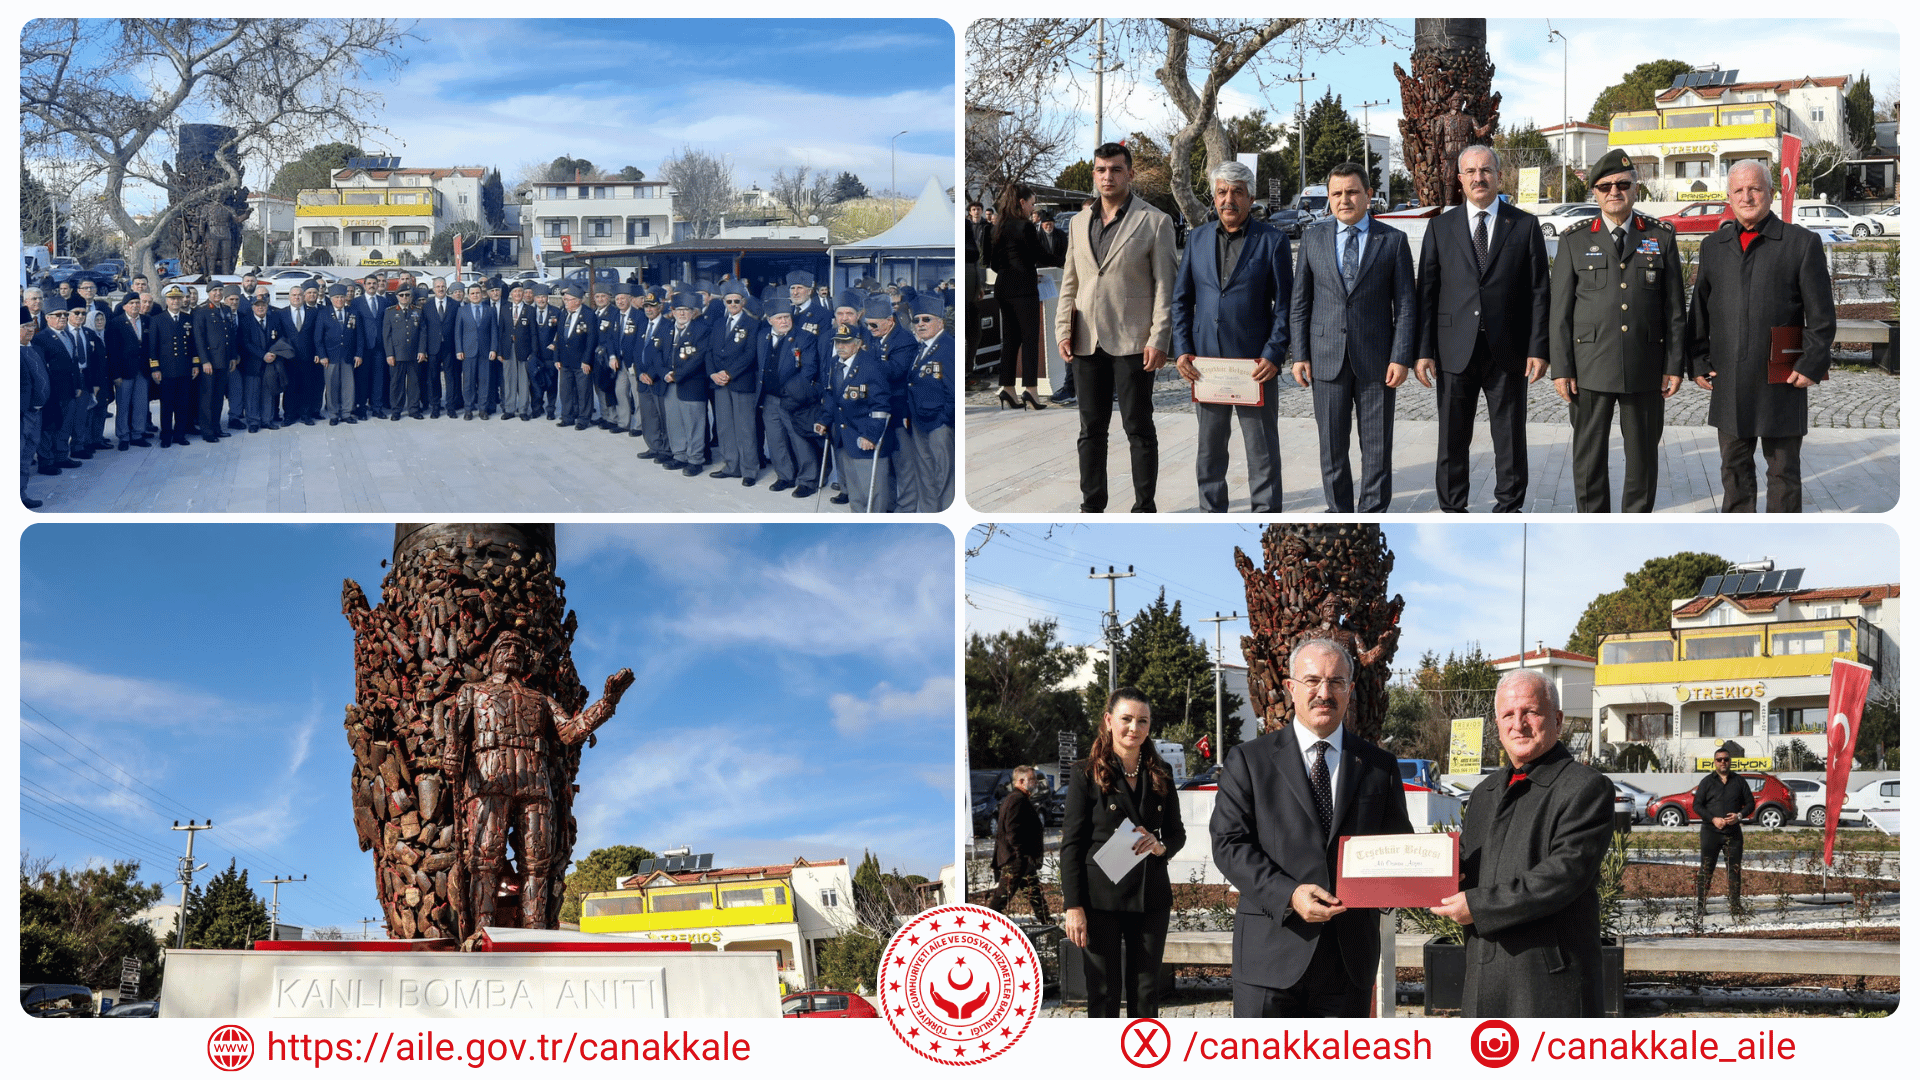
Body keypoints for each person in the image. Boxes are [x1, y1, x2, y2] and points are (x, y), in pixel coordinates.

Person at [1210, 639, 1413, 1017]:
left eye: (1336, 682)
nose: (1324, 692)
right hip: (1269, 956)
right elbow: (1229, 844)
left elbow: (1398, 847)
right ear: (1291, 688)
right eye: (1313, 680)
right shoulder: (1248, 761)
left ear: (1350, 690)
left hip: (1347, 962)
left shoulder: (1379, 767)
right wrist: (1290, 894)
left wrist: (1436, 873)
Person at [1430, 668, 1614, 1016]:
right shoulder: (1484, 793)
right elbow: (1470, 865)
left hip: (1548, 980)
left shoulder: (1585, 787)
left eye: (1531, 711)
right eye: (1508, 715)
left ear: (1557, 720)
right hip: (1486, 974)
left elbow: (1563, 875)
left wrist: (1478, 906)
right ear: (1497, 725)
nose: (1519, 724)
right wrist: (1437, 876)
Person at [1685, 158, 1835, 513]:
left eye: (1755, 188)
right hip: (1730, 379)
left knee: (1784, 473)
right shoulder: (1713, 246)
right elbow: (1700, 312)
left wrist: (1811, 362)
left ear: (1771, 193)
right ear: (1728, 196)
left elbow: (1822, 315)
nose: (1747, 196)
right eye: (1739, 190)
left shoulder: (1801, 243)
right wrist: (1698, 361)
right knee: (1733, 471)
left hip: (1782, 378)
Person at [1549, 148, 1685, 513]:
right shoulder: (1575, 240)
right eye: (1605, 185)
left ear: (1635, 189)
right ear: (1594, 192)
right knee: (1589, 460)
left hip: (1645, 366)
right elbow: (1559, 311)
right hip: (1589, 366)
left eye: (1623, 184)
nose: (1614, 191)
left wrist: (1674, 364)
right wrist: (1561, 369)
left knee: (1642, 460)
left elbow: (1675, 310)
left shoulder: (1661, 237)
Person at [1415, 145, 1550, 512]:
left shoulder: (1523, 225)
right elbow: (1426, 292)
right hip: (1453, 351)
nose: (1479, 177)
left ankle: (1508, 507)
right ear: (1460, 179)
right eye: (1471, 171)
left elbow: (1540, 291)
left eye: (1486, 170)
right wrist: (1422, 350)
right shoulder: (1440, 227)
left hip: (1508, 350)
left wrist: (1539, 348)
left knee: (1509, 437)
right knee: (1452, 440)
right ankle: (1453, 508)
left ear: (1498, 176)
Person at [1055, 142, 1179, 513]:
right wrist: (1063, 329)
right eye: (1101, 170)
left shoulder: (1155, 221)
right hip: (1086, 342)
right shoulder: (1078, 223)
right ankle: (1092, 504)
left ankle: (1144, 507)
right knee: (1090, 431)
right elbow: (1070, 281)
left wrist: (1159, 339)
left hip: (1133, 343)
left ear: (1130, 174)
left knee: (1138, 428)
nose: (1107, 177)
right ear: (1094, 174)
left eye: (1115, 169)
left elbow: (1165, 286)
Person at [1290, 162, 1417, 513]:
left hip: (1377, 362)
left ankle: (1373, 513)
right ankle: (1339, 513)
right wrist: (1299, 354)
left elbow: (1406, 305)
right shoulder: (1313, 238)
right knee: (1331, 447)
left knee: (1376, 448)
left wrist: (1400, 356)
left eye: (1352, 192)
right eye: (1336, 194)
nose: (1344, 200)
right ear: (1328, 199)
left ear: (1368, 195)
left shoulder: (1392, 241)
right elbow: (1300, 302)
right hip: (1325, 358)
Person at [1171, 160, 1293, 513]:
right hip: (1205, 366)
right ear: (1214, 195)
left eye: (1237, 192)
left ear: (1250, 197)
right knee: (1209, 451)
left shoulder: (1273, 241)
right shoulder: (1196, 239)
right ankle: (1211, 513)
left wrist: (1273, 353)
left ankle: (1267, 514)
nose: (1228, 199)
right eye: (1222, 191)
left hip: (1255, 367)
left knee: (1262, 451)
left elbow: (1285, 304)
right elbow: (1181, 300)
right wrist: (1182, 352)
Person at [1059, 686, 1184, 1018]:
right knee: (1103, 992)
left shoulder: (1162, 773)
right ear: (1109, 720)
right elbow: (1071, 845)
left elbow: (1177, 833)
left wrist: (1161, 847)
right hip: (1100, 901)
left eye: (1142, 721)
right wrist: (1073, 906)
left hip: (1150, 898)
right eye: (1127, 719)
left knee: (1146, 992)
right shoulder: (1085, 774)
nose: (1134, 728)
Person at [988, 181, 1064, 409]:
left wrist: (1015, 269)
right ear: (1022, 203)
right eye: (1032, 204)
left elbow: (993, 263)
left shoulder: (998, 226)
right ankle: (1031, 391)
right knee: (1030, 339)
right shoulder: (1025, 227)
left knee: (1010, 340)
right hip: (1023, 289)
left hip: (1003, 288)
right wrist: (1067, 261)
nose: (1034, 209)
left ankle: (1008, 389)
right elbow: (1042, 255)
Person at [814, 326, 894, 513]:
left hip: (864, 437)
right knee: (855, 491)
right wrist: (823, 420)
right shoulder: (835, 363)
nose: (841, 346)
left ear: (857, 344)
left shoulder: (871, 367)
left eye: (846, 342)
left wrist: (871, 436)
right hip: (843, 436)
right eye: (838, 341)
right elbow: (832, 397)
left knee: (871, 492)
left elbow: (880, 406)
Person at [900, 293, 954, 511]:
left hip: (939, 423)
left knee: (944, 475)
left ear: (939, 322)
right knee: (926, 475)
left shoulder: (948, 347)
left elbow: (953, 390)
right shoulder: (920, 348)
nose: (920, 324)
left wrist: (944, 419)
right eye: (917, 320)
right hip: (919, 421)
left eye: (926, 319)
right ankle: (931, 513)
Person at [708, 282, 761, 483]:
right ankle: (731, 465)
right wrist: (713, 373)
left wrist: (729, 373)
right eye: (729, 301)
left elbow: (750, 354)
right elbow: (710, 352)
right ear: (724, 302)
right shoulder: (719, 324)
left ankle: (749, 470)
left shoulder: (752, 324)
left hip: (741, 382)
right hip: (720, 383)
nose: (732, 304)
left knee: (745, 428)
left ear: (743, 302)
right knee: (724, 427)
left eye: (736, 301)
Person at [1693, 746, 1754, 917]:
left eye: (1726, 759)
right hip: (1710, 832)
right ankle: (1700, 906)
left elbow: (1750, 803)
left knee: (1734, 870)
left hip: (1733, 833)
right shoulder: (1707, 781)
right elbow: (1697, 805)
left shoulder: (1739, 781)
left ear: (1730, 761)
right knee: (1706, 869)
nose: (1723, 762)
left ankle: (1735, 906)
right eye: (1719, 759)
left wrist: (1739, 816)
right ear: (1715, 762)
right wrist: (1713, 819)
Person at [985, 765, 1050, 921]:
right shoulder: (1016, 800)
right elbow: (1012, 830)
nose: (1036, 783)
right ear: (1021, 781)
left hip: (1021, 861)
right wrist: (1021, 855)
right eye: (1033, 779)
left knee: (1036, 896)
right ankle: (983, 926)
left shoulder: (1019, 799)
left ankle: (1049, 925)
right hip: (1016, 860)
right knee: (1001, 899)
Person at [661, 292, 709, 476]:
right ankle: (679, 456)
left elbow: (698, 358)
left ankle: (695, 459)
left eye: (686, 310)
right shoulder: (666, 329)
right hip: (669, 383)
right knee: (675, 422)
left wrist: (677, 375)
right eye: (678, 310)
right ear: (672, 311)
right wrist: (664, 373)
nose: (682, 314)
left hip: (691, 383)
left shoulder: (701, 330)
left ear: (693, 312)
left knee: (694, 423)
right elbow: (655, 352)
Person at [34, 307, 85, 472]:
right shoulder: (41, 338)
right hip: (52, 392)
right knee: (49, 427)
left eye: (65, 314)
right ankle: (46, 462)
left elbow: (74, 362)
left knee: (65, 425)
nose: (63, 317)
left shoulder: (69, 335)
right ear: (48, 318)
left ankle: (61, 456)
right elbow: (41, 369)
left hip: (69, 389)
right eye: (58, 315)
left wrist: (77, 385)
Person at [149, 284, 199, 447]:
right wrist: (155, 368)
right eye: (172, 298)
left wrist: (195, 364)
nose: (175, 301)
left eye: (178, 298)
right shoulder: (157, 320)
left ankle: (180, 434)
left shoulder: (187, 319)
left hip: (184, 369)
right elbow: (153, 347)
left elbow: (193, 345)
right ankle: (166, 435)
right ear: (166, 300)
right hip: (166, 370)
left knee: (182, 405)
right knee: (167, 406)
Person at [192, 285, 241, 442]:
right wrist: (204, 361)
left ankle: (216, 427)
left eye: (220, 291)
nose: (218, 293)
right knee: (207, 398)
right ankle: (207, 432)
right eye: (215, 291)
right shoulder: (202, 310)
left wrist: (233, 357)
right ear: (208, 293)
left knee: (219, 397)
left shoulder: (226, 309)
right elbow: (199, 338)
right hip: (210, 362)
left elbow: (231, 335)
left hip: (224, 360)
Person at [106, 293, 154, 450]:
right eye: (131, 303)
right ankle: (123, 436)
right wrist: (116, 374)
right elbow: (113, 352)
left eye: (137, 303)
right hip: (124, 372)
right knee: (123, 405)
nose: (135, 306)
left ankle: (138, 434)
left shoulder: (147, 321)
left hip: (142, 371)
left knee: (141, 404)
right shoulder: (116, 323)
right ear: (125, 306)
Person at [315, 282, 362, 426]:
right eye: (336, 297)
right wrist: (322, 355)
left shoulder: (353, 312)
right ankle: (334, 414)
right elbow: (318, 337)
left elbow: (360, 336)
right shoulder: (324, 313)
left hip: (348, 356)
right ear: (332, 298)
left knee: (348, 386)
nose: (340, 300)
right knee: (332, 386)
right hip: (331, 357)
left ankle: (347, 413)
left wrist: (359, 354)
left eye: (342, 297)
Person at [555, 287, 598, 430]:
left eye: (568, 299)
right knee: (566, 391)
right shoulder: (563, 313)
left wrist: (587, 360)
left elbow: (591, 339)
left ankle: (583, 419)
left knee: (583, 391)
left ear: (577, 301)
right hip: (565, 360)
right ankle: (567, 416)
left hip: (581, 361)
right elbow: (559, 337)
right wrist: (557, 358)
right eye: (565, 299)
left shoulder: (588, 314)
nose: (565, 302)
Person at [455, 282, 498, 421]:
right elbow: (458, 332)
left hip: (485, 352)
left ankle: (482, 409)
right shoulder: (462, 311)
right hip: (468, 352)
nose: (475, 295)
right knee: (468, 382)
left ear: (482, 294)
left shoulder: (490, 310)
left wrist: (493, 348)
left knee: (484, 382)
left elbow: (494, 332)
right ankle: (468, 409)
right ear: (468, 295)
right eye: (472, 293)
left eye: (477, 293)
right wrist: (459, 349)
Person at [421, 276, 462, 419]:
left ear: (446, 288)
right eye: (438, 286)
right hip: (432, 348)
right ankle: (436, 407)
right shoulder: (427, 306)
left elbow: (458, 328)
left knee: (450, 378)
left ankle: (450, 406)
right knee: (433, 378)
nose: (441, 289)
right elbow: (424, 329)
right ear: (433, 289)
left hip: (450, 347)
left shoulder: (454, 305)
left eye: (443, 286)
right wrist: (423, 349)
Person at [21, 315, 51, 508]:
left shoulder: (33, 348)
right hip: (22, 413)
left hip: (36, 412)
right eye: (25, 327)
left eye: (31, 326)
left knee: (27, 451)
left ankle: (20, 491)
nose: (30, 330)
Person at [383, 286, 425, 421]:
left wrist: (421, 350)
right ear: (397, 297)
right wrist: (389, 354)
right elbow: (387, 335)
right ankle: (396, 410)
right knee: (396, 384)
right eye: (402, 295)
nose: (405, 297)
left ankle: (414, 409)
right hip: (397, 354)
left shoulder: (417, 311)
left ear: (411, 297)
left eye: (407, 295)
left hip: (414, 354)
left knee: (414, 383)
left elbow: (423, 332)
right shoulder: (390, 312)